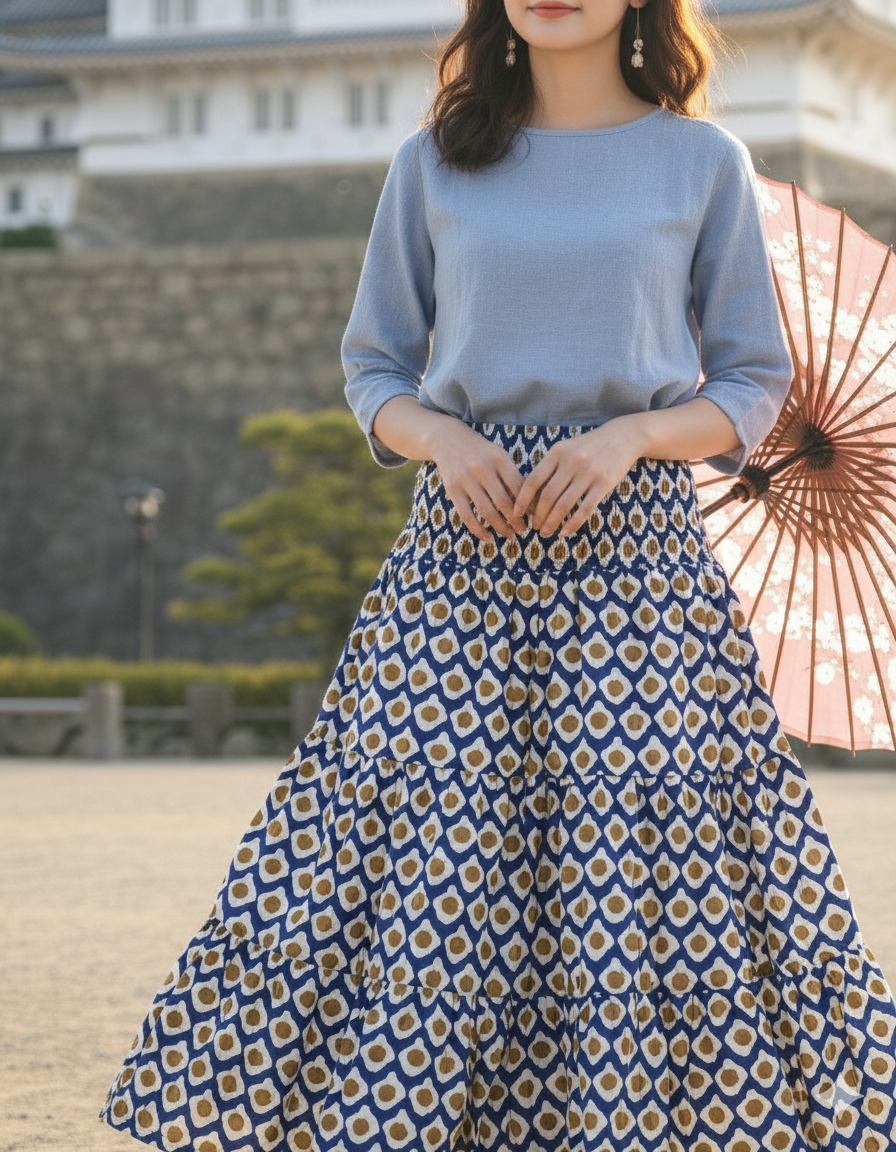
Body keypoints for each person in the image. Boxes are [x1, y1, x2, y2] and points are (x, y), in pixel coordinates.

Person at [100, 0, 896, 1149]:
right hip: (456, 555)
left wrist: (627, 437)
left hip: (636, 562)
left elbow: (750, 383)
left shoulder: (699, 160)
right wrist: (443, 440)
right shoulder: (433, 161)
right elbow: (373, 364)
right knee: (424, 849)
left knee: (637, 852)